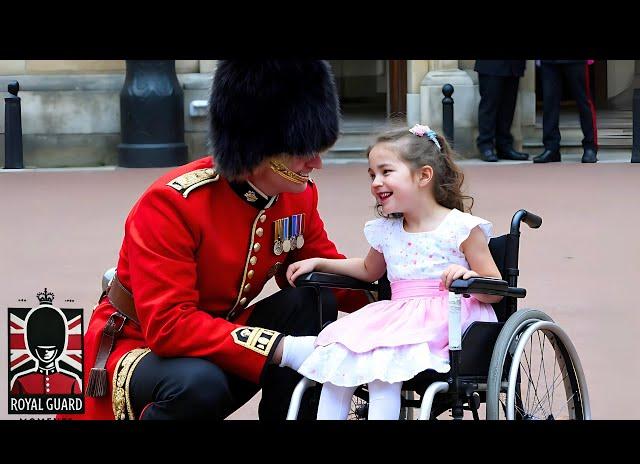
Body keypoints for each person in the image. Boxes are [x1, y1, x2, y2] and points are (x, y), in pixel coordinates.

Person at [66, 60, 367, 420]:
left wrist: (409, 293)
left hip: (213, 342)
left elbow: (328, 273)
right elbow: (169, 326)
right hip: (137, 347)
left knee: (310, 300)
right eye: (303, 151)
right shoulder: (173, 203)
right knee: (198, 384)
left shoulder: (296, 198)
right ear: (258, 147)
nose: (316, 163)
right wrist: (280, 348)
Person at [286, 124, 503, 420]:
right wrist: (320, 262)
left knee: (382, 370)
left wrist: (469, 279)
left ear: (424, 176)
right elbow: (366, 269)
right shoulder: (387, 231)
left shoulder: (461, 228)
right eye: (372, 174)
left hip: (448, 319)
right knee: (340, 369)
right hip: (399, 316)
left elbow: (495, 289)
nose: (376, 182)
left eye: (386, 172)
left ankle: (296, 350)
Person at [533, 60, 598, 163]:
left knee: (584, 101)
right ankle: (551, 148)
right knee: (549, 102)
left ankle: (590, 147)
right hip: (549, 62)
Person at [475, 60, 529, 162]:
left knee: (508, 107)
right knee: (489, 106)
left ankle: (504, 146)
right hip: (490, 65)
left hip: (514, 65)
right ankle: (486, 145)